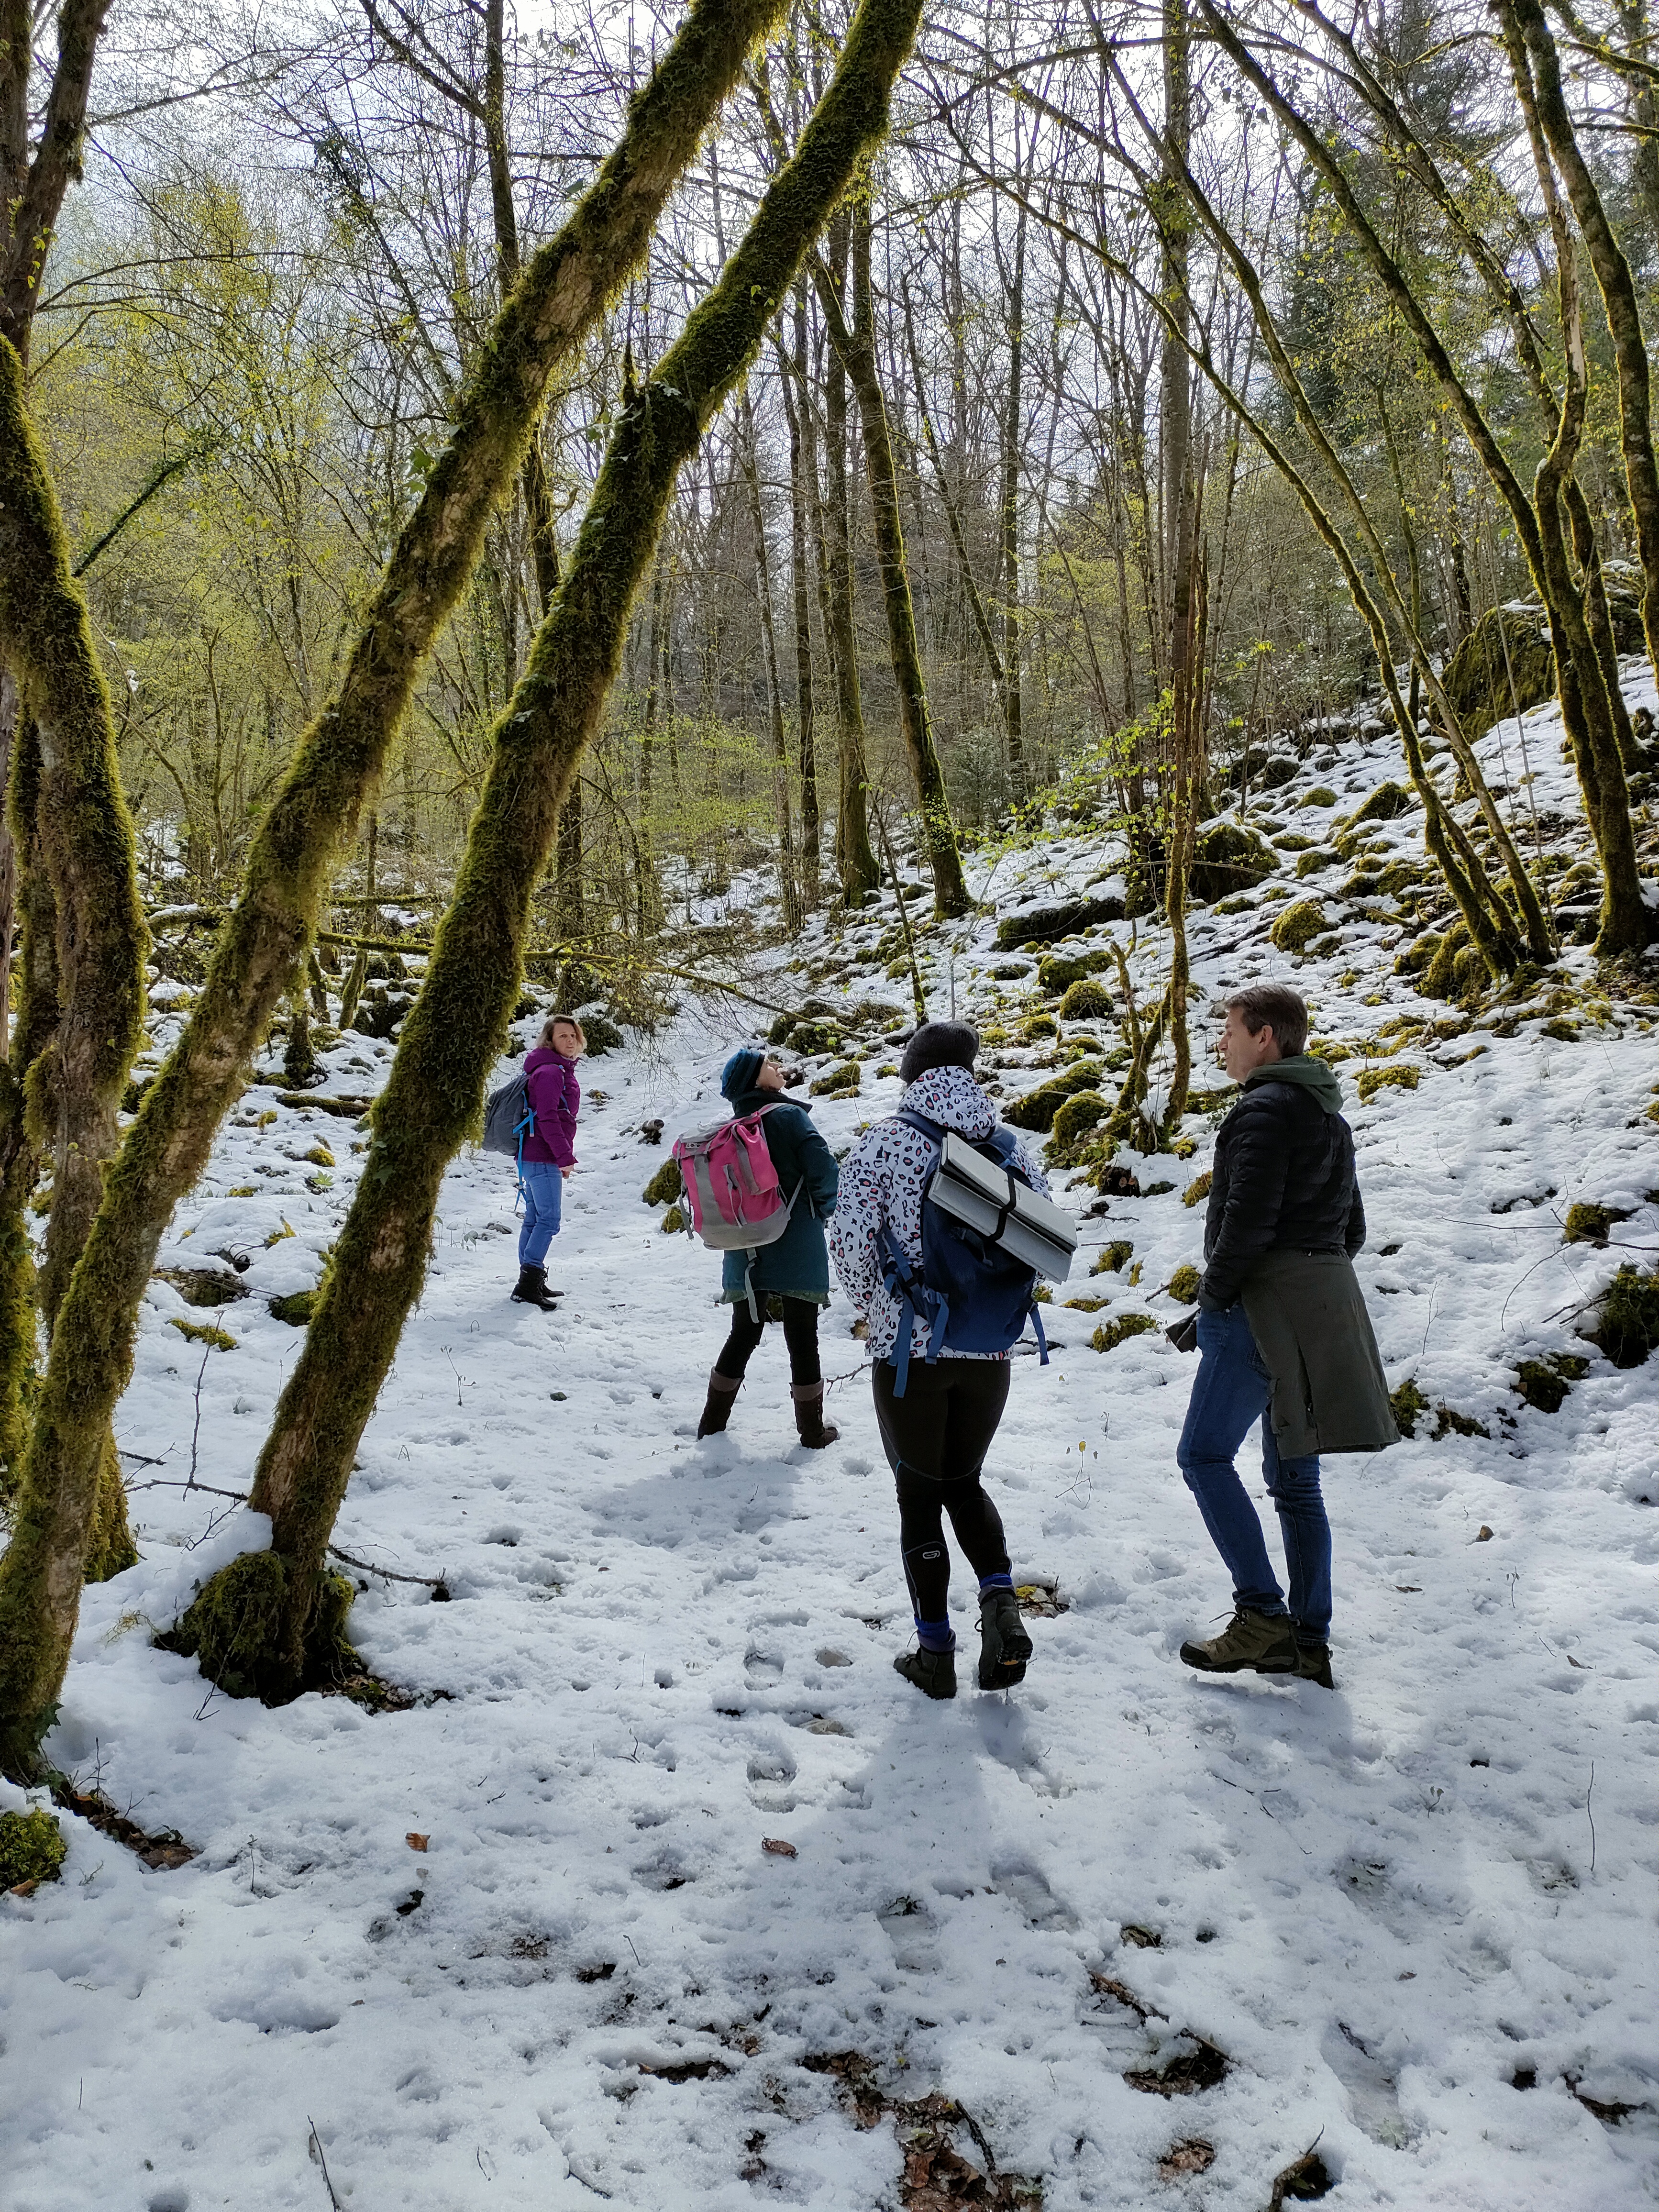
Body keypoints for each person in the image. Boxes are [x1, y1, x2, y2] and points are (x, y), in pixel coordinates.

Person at [1177, 982, 1395, 1690]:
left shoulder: (1263, 1110)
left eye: (1231, 1031)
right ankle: (1308, 1642)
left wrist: (1213, 1302)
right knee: (1297, 1483)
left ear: (1266, 1036)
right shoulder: (1328, 1114)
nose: (1222, 1044)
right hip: (1316, 1309)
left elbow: (1247, 1226)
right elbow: (1350, 1230)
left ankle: (1260, 1615)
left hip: (1258, 1309)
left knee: (1204, 1455)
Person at [830, 1020, 1043, 1702]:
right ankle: (1001, 1608)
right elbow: (1042, 1240)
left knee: (919, 1494)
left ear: (913, 1075)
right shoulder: (1009, 1145)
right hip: (991, 1347)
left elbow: (851, 1242)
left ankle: (934, 1652)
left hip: (910, 1353)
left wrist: (877, 1308)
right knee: (967, 1482)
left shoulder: (887, 1142)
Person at [696, 1046, 842, 1448]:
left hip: (745, 1242)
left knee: (744, 1331)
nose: (777, 1068)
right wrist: (823, 1208)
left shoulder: (733, 1127)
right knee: (802, 1333)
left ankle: (711, 1425)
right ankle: (812, 1431)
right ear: (753, 1079)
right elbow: (823, 1169)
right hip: (795, 1236)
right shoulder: (790, 1116)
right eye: (767, 1065)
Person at [511, 1014, 585, 1311]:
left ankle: (531, 1280)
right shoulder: (551, 1072)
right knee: (549, 1221)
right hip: (542, 1156)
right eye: (562, 1036)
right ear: (550, 1041)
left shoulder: (552, 1069)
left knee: (535, 1219)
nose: (569, 1041)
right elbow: (549, 1118)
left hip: (534, 1156)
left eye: (573, 1036)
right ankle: (528, 1284)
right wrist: (564, 1157)